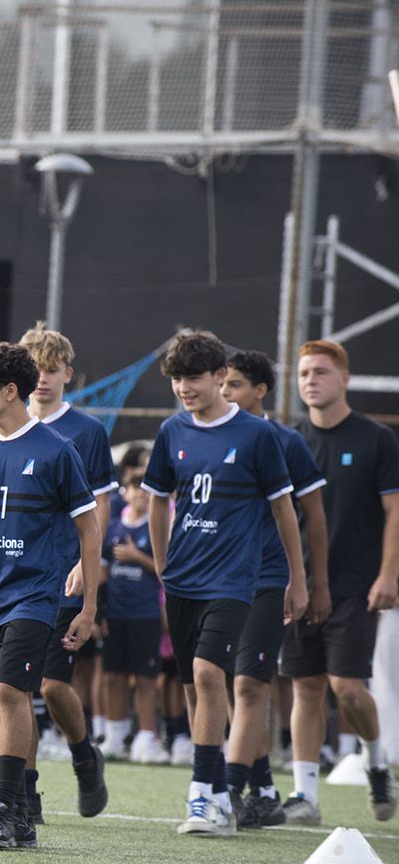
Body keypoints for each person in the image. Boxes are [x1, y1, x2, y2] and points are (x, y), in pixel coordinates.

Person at [143, 331, 307, 837]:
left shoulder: (258, 436)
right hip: (182, 580)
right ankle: (218, 794)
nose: (183, 388)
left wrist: (298, 578)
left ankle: (202, 796)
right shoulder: (171, 431)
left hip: (234, 580)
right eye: (176, 379)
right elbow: (156, 500)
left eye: (193, 377)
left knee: (210, 675)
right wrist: (163, 565)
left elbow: (284, 509)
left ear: (219, 377)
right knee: (194, 688)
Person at [0, 341, 100, 850]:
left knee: (11, 692)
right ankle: (21, 811)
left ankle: (1, 808)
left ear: (10, 391)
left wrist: (89, 606)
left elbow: (89, 529)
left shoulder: (57, 449)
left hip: (34, 597)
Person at [282, 338, 397, 823]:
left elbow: (395, 513)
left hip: (355, 585)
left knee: (347, 687)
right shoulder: (290, 441)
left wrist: (389, 574)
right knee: (306, 686)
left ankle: (377, 762)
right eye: (304, 373)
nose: (311, 381)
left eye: (321, 372)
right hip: (301, 585)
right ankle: (305, 795)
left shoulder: (377, 439)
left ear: (344, 378)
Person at [221, 350, 329, 828]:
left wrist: (310, 581)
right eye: (222, 384)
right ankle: (263, 789)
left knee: (249, 685)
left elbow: (315, 517)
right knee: (223, 682)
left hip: (268, 578)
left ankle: (226, 792)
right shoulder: (208, 435)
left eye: (235, 384)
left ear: (260, 390)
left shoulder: (286, 441)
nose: (225, 393)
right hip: (218, 579)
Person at [19, 323, 114, 820]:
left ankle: (83, 755)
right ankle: (25, 794)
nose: (42, 378)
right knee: (14, 689)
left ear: (67, 375)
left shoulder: (86, 431)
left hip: (63, 573)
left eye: (51, 370)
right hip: (13, 573)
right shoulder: (4, 424)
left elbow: (100, 504)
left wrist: (84, 562)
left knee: (52, 686)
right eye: (35, 368)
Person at [99, 468, 166, 764]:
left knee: (145, 679)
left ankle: (147, 738)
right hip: (115, 614)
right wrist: (98, 611)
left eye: (145, 489)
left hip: (146, 614)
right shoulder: (113, 528)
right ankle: (115, 735)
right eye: (134, 487)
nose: (140, 493)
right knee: (113, 676)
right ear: (124, 493)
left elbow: (165, 572)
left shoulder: (156, 528)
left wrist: (137, 557)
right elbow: (102, 572)